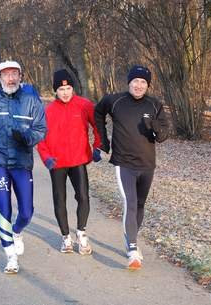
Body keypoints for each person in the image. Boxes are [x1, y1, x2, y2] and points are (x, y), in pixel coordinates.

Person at [0, 60, 47, 274]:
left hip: (22, 162)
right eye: (6, 75)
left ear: (21, 76)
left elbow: (41, 129)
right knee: (3, 207)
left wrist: (26, 136)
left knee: (26, 211)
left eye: (14, 74)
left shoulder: (31, 100)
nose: (10, 78)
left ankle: (17, 230)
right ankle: (10, 257)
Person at [94, 65, 169, 270]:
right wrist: (103, 141)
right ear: (129, 82)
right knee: (130, 202)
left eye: (143, 82)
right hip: (124, 162)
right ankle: (133, 250)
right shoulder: (114, 101)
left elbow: (163, 136)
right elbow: (98, 112)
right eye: (135, 81)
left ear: (148, 85)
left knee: (140, 205)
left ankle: (131, 237)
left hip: (147, 164)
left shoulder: (155, 105)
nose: (138, 85)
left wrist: (153, 126)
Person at [37, 69, 101, 255]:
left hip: (78, 159)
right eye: (61, 88)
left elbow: (98, 126)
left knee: (83, 196)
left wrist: (97, 146)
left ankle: (81, 233)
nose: (65, 92)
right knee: (60, 199)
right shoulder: (48, 111)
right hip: (56, 163)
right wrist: (46, 157)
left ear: (73, 88)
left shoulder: (84, 105)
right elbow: (40, 137)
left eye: (68, 88)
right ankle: (66, 237)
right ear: (55, 90)